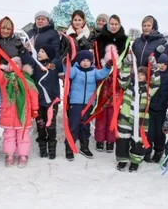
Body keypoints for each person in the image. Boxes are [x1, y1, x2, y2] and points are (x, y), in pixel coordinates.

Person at [0, 52, 39, 168]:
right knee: (8, 136)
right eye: (12, 64)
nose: (14, 66)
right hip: (8, 113)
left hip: (24, 113)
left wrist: (35, 109)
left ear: (21, 66)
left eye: (17, 64)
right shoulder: (4, 79)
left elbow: (33, 94)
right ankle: (10, 154)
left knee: (23, 136)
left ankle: (23, 155)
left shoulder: (26, 79)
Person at [64, 50, 112, 161]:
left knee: (85, 125)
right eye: (83, 61)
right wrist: (65, 63)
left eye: (87, 61)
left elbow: (102, 74)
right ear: (79, 61)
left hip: (88, 103)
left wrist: (108, 66)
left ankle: (84, 147)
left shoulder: (94, 71)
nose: (85, 63)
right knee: (73, 126)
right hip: (76, 103)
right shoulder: (75, 70)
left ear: (91, 62)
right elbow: (68, 73)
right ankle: (69, 147)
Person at [116, 54, 160, 172]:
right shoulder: (128, 85)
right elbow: (122, 78)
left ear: (147, 77)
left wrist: (154, 67)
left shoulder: (148, 90)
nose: (140, 76)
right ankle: (122, 160)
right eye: (138, 74)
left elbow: (156, 83)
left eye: (143, 75)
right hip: (125, 118)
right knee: (122, 139)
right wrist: (126, 63)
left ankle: (135, 161)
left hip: (141, 121)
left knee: (138, 142)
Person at [93, 15, 130, 153]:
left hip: (117, 78)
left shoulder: (125, 40)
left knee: (113, 110)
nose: (113, 26)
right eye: (111, 24)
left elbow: (127, 58)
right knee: (101, 110)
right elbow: (96, 57)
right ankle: (99, 139)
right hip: (103, 77)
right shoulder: (100, 38)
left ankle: (110, 140)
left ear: (119, 24)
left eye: (116, 24)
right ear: (108, 25)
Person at [19, 43, 62, 159]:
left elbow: (65, 57)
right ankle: (42, 148)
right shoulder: (35, 65)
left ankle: (52, 149)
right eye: (38, 51)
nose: (39, 53)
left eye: (42, 51)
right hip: (38, 102)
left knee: (51, 126)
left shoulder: (54, 65)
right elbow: (27, 58)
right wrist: (21, 49)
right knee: (41, 125)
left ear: (49, 54)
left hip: (52, 102)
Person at [145, 53, 168, 163]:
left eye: (164, 64)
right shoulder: (152, 74)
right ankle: (147, 151)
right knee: (149, 132)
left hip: (161, 109)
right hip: (150, 109)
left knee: (160, 132)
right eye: (160, 63)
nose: (162, 65)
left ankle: (159, 151)